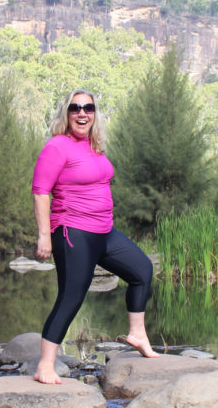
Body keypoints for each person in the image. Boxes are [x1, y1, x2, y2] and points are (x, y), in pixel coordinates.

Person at [31, 88, 159, 385]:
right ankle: (45, 365)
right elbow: (40, 192)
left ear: (94, 114)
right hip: (72, 231)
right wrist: (44, 237)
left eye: (88, 108)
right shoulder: (57, 146)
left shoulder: (95, 146)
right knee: (71, 297)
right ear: (66, 113)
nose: (82, 113)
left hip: (104, 231)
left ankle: (137, 333)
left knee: (142, 270)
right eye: (75, 108)